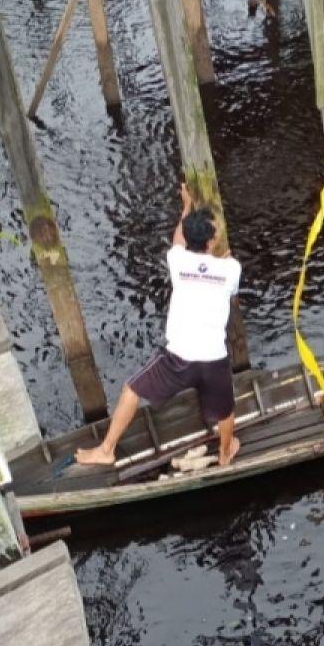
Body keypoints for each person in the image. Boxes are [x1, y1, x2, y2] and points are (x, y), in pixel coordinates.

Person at [76, 183, 242, 466]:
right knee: (225, 410)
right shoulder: (230, 268)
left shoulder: (176, 261)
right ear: (212, 241)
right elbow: (224, 283)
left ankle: (106, 450)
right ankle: (226, 452)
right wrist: (220, 265)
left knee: (131, 390)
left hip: (179, 360)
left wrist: (186, 207)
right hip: (214, 358)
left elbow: (178, 239)